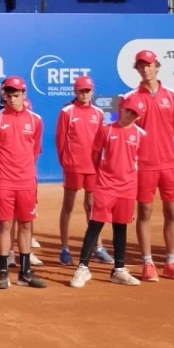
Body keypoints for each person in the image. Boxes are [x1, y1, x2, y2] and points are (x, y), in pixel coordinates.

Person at [69, 95, 147, 288]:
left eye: (135, 114)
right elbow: (95, 156)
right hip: (105, 186)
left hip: (127, 188)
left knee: (121, 227)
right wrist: (101, 180)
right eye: (128, 110)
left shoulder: (140, 135)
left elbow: (140, 163)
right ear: (122, 108)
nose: (130, 115)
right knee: (96, 224)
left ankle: (119, 270)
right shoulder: (106, 130)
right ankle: (82, 268)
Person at [130, 49, 174, 282]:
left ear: (157, 66)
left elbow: (172, 125)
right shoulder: (131, 98)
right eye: (141, 65)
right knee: (144, 212)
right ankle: (147, 263)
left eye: (149, 64)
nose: (146, 69)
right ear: (137, 69)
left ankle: (171, 263)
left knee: (172, 211)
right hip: (144, 164)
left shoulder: (173, 97)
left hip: (170, 163)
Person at [0, 76, 47, 289]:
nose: (12, 99)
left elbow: (35, 149)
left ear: (24, 95)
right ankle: (3, 272)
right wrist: (3, 171)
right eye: (9, 95)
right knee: (5, 224)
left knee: (26, 224)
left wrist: (24, 170)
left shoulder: (35, 120)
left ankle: (25, 272)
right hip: (4, 181)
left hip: (26, 181)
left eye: (16, 95)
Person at [55, 76, 109, 266]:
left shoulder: (99, 113)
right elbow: (60, 140)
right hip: (74, 167)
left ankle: (98, 247)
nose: (84, 94)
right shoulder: (67, 112)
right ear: (75, 92)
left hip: (93, 168)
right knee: (68, 207)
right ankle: (64, 248)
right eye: (81, 91)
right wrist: (67, 163)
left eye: (87, 91)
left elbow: (102, 142)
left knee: (92, 207)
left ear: (92, 91)